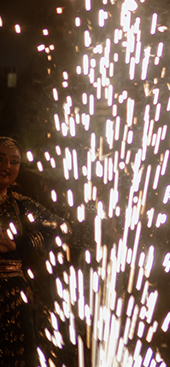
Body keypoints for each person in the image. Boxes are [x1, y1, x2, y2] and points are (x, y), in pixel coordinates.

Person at [0, 137, 68, 367]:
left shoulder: (20, 204)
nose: (6, 166)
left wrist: (18, 245)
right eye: (0, 159)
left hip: (12, 297)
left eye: (14, 161)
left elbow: (62, 227)